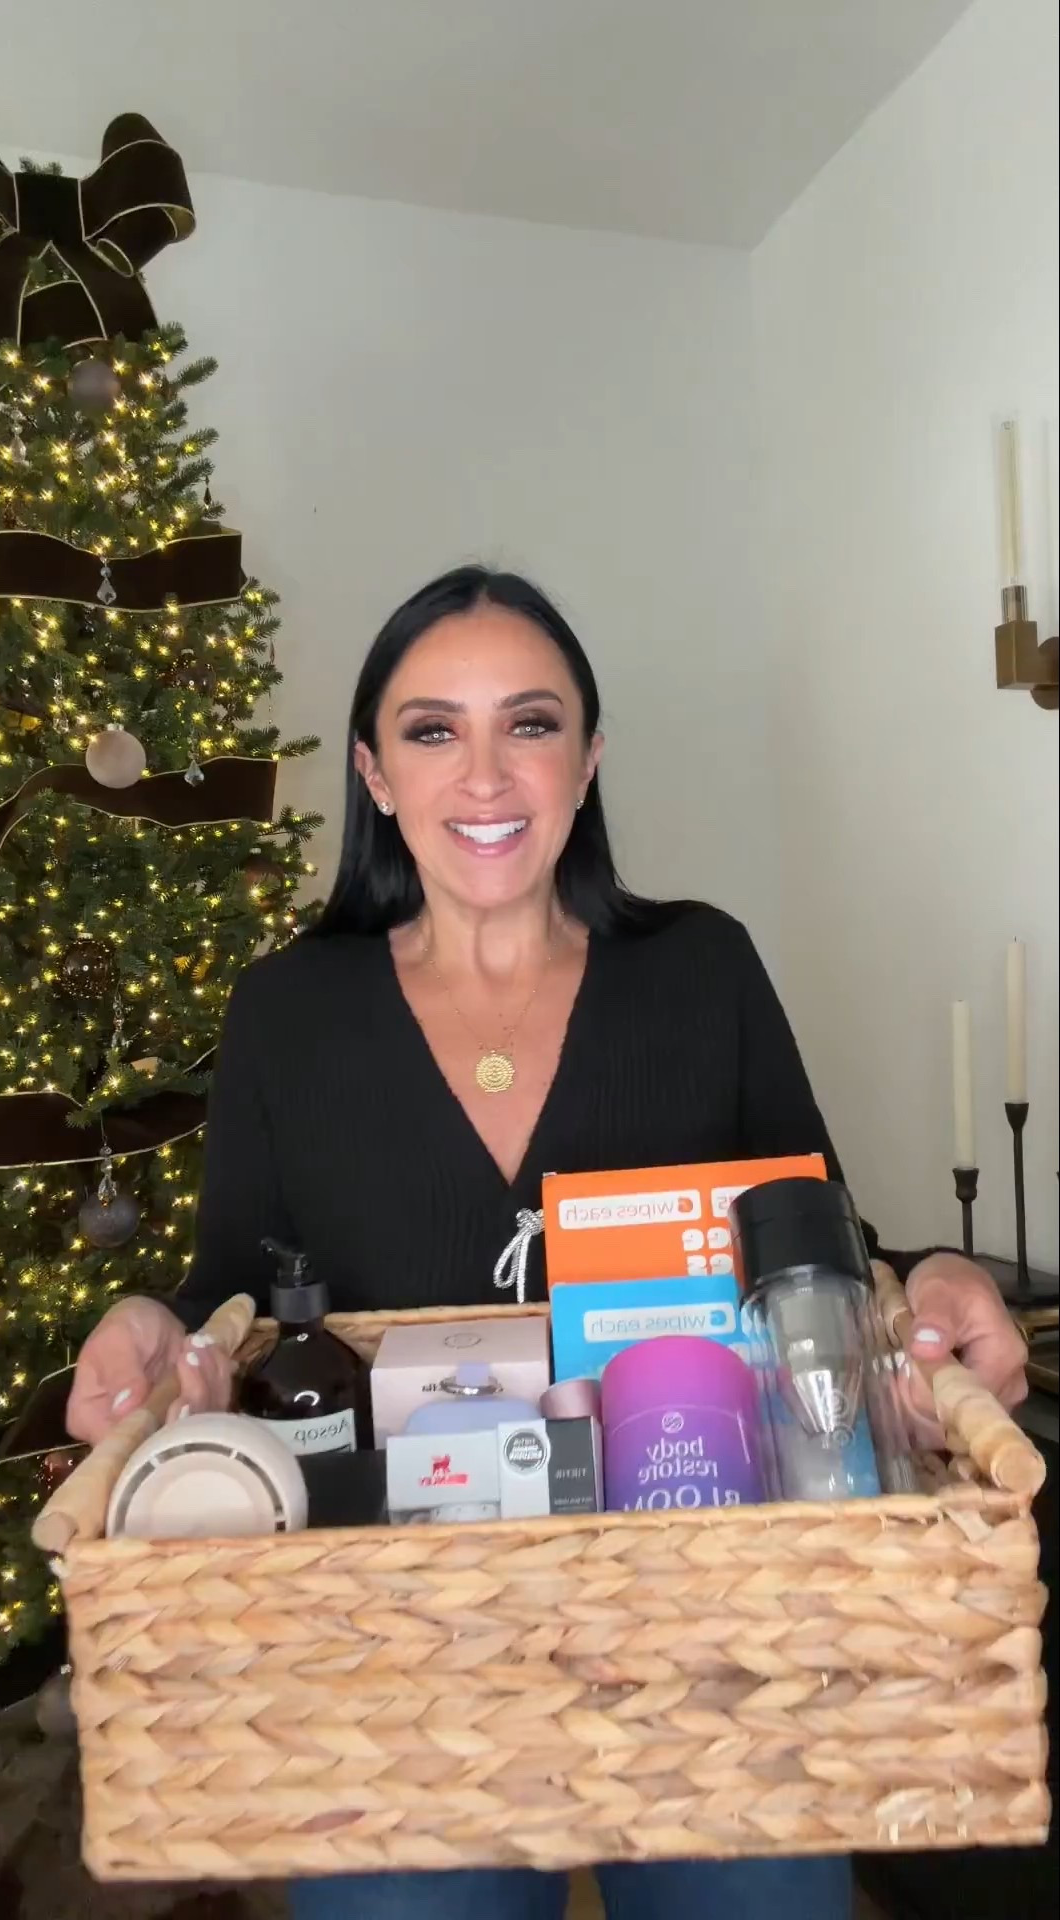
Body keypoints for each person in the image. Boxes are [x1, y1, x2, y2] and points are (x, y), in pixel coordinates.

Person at [68, 566, 1028, 1920]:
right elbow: (236, 1289)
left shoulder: (702, 969)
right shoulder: (290, 1010)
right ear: (373, 772)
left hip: (715, 1645)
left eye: (529, 723)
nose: (485, 776)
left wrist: (930, 1279)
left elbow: (822, 1249)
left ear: (588, 760)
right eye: (432, 730)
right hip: (393, 1670)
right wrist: (159, 1330)